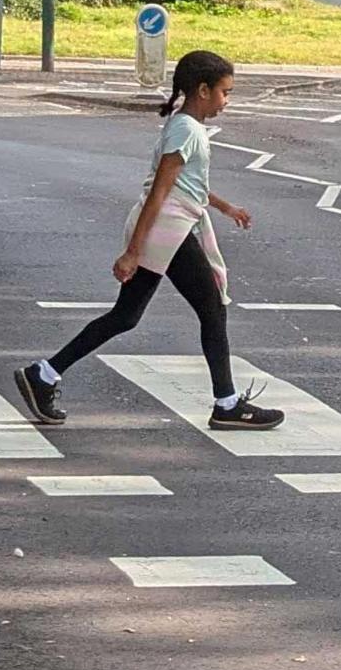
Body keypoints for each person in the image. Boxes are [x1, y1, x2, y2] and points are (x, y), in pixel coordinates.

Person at [14, 49, 285, 430]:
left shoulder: (184, 126)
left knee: (126, 316)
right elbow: (160, 191)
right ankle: (226, 404)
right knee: (212, 311)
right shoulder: (187, 130)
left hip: (170, 226)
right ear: (203, 90)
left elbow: (187, 185)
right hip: (168, 231)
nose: (227, 101)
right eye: (226, 92)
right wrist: (133, 251)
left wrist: (225, 207)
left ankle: (44, 373)